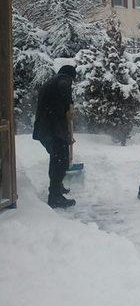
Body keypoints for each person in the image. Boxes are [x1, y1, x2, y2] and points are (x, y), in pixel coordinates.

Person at [32, 65, 77, 208]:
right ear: (70, 76)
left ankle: (57, 187)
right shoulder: (64, 81)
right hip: (53, 129)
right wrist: (69, 106)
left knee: (57, 159)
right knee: (61, 161)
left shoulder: (51, 82)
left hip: (46, 129)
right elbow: (62, 107)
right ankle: (55, 197)